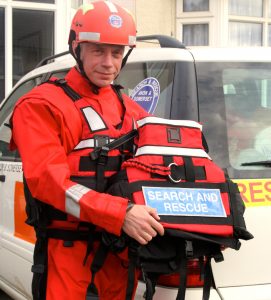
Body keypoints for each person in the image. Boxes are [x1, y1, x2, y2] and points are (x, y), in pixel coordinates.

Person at [9, 1, 164, 299]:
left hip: (120, 259)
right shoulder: (42, 105)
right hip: (68, 257)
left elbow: (155, 169)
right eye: (98, 51)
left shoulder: (131, 110)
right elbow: (49, 183)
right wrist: (121, 214)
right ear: (76, 49)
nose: (109, 63)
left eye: (117, 53)